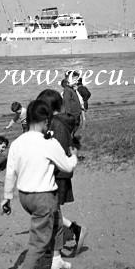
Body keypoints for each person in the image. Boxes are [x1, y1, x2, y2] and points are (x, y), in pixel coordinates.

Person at [0, 99, 78, 269]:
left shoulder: (18, 143)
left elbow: (10, 173)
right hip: (44, 196)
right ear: (45, 120)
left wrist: (6, 198)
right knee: (38, 243)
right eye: (49, 122)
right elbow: (68, 167)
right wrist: (75, 157)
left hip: (25, 196)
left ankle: (56, 260)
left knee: (57, 221)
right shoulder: (48, 143)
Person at [37, 88, 88, 256]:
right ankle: (71, 232)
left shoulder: (57, 125)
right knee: (51, 210)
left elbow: (55, 151)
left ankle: (57, 246)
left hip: (57, 174)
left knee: (50, 211)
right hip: (58, 173)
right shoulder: (59, 122)